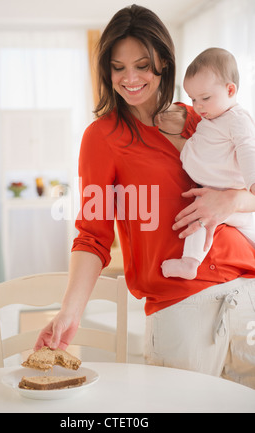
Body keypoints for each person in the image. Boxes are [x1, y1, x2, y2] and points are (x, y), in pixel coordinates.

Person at [35, 5, 255, 389]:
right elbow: (92, 234)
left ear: (164, 63)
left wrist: (232, 201)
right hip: (182, 310)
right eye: (118, 67)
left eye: (142, 65)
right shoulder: (102, 138)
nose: (130, 78)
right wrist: (69, 312)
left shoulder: (203, 116)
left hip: (248, 295)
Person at [162, 48, 255, 280]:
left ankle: (190, 262)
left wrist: (253, 182)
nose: (199, 106)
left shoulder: (237, 119)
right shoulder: (213, 115)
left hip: (226, 193)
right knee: (198, 219)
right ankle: (190, 263)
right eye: (193, 99)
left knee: (200, 219)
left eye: (205, 98)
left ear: (230, 89)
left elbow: (248, 150)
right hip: (212, 193)